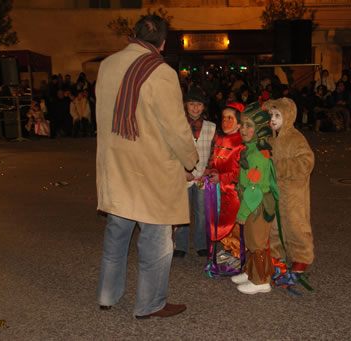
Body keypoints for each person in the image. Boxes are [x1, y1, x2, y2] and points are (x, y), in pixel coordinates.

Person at [95, 15, 197, 319]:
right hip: (150, 171)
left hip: (116, 166)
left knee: (117, 233)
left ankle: (106, 295)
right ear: (162, 42)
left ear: (135, 35)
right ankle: (150, 303)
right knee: (155, 239)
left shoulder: (108, 65)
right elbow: (176, 128)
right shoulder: (161, 71)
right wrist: (191, 161)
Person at [264, 98, 315, 289]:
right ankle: (276, 253)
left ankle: (301, 255)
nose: (274, 120)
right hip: (275, 192)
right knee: (275, 225)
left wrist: (281, 167)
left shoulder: (295, 138)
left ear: (289, 116)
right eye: (271, 116)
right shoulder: (271, 138)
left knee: (295, 224)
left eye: (278, 116)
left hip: (293, 193)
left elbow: (307, 161)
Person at [230, 102, 279, 295]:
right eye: (242, 124)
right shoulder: (250, 149)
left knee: (257, 243)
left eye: (249, 125)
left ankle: (261, 281)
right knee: (251, 240)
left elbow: (254, 189)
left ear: (259, 129)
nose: (243, 129)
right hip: (252, 204)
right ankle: (251, 272)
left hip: (256, 205)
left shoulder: (257, 156)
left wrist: (243, 212)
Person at [174, 87, 216, 258]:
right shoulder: (178, 126)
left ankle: (200, 244)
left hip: (202, 176)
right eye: (192, 104)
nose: (195, 108)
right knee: (181, 212)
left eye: (199, 104)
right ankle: (180, 245)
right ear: (185, 105)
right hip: (183, 176)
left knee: (201, 211)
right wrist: (182, 171)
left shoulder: (211, 127)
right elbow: (173, 150)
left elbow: (214, 152)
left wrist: (208, 170)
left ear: (203, 107)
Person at [206, 102, 246, 270]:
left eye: (230, 118)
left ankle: (238, 253)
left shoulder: (241, 143)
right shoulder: (220, 138)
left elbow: (240, 172)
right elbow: (215, 160)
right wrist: (209, 172)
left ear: (239, 123)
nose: (225, 122)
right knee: (222, 221)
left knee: (234, 223)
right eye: (223, 118)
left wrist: (221, 177)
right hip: (220, 190)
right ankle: (229, 249)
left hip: (233, 191)